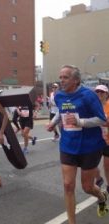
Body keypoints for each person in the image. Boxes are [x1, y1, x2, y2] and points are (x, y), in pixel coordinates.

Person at [47, 65, 109, 222]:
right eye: (60, 77)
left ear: (76, 80)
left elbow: (102, 119)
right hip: (68, 144)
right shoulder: (59, 95)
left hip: (90, 146)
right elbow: (61, 112)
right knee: (68, 185)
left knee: (87, 187)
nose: (61, 80)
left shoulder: (88, 95)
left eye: (65, 77)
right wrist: (53, 122)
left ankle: (101, 197)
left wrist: (79, 122)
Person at [94, 85, 109, 193]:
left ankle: (108, 185)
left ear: (106, 94)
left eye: (102, 92)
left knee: (107, 165)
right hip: (95, 139)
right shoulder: (93, 107)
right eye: (97, 92)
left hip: (108, 140)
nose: (99, 94)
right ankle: (99, 178)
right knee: (91, 164)